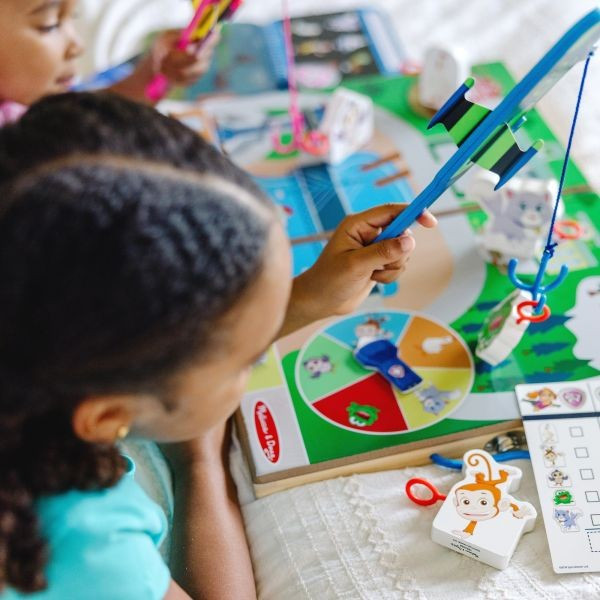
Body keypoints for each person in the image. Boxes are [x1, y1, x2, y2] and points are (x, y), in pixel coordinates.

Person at [0, 91, 436, 599]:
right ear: (106, 417)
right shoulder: (86, 547)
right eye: (245, 361)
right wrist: (199, 461)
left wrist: (308, 298)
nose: (256, 362)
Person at [0, 0, 218, 124]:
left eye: (73, 17)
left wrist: (157, 70)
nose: (77, 46)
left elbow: (92, 115)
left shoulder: (26, 107)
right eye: (50, 25)